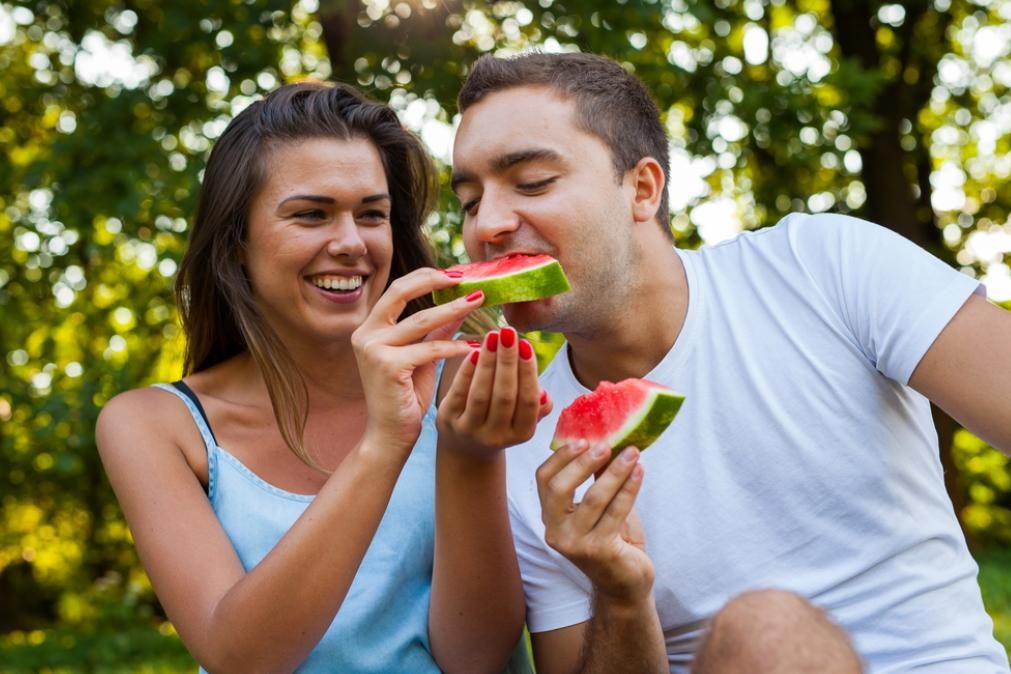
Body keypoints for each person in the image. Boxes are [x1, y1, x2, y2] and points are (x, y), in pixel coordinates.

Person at [450, 52, 1011, 673]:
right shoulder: (525, 449)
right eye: (470, 202)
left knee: (765, 628)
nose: (489, 226)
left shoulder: (824, 267)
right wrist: (621, 594)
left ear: (641, 189)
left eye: (531, 183)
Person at [96, 81, 542, 673]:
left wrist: (470, 453)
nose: (352, 243)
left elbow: (477, 657)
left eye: (372, 215)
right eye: (311, 214)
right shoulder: (154, 425)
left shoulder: (466, 378)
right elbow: (240, 657)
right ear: (235, 245)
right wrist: (385, 442)